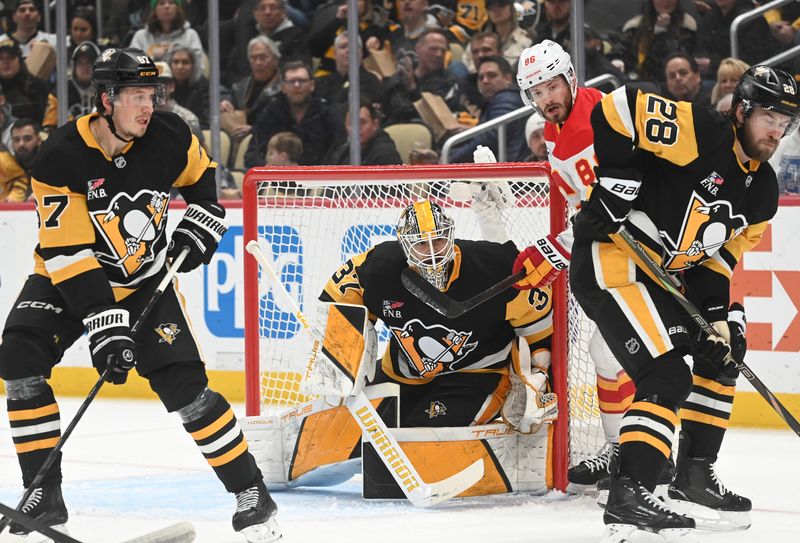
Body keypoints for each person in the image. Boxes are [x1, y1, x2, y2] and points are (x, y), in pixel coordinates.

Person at [0, 48, 282, 542]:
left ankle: (251, 491)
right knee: (19, 356)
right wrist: (104, 327)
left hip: (142, 282)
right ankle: (43, 494)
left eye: (151, 94)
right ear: (106, 99)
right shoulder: (60, 156)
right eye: (134, 95)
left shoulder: (170, 134)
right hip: (66, 280)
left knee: (187, 391)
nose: (147, 105)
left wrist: (205, 217)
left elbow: (202, 180)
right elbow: (69, 256)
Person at [569, 65, 799, 540]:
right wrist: (618, 184)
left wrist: (718, 316)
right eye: (770, 117)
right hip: (612, 262)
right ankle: (630, 491)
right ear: (741, 111)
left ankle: (693, 474)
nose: (778, 131)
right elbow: (617, 108)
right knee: (666, 373)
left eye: (786, 122)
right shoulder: (703, 132)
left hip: (661, 279)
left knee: (725, 352)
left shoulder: (763, 192)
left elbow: (718, 262)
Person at [318, 198, 558, 429]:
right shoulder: (380, 268)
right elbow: (338, 298)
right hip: (404, 372)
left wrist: (538, 378)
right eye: (422, 244)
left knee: (418, 438)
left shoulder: (494, 266)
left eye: (439, 240)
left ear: (450, 235)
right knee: (348, 430)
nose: (433, 253)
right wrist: (343, 353)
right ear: (405, 244)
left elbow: (536, 328)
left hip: (478, 373)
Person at [513, 39, 634, 490]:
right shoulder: (553, 131)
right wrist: (566, 243)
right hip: (610, 249)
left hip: (640, 247)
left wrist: (557, 248)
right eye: (537, 91)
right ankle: (625, 449)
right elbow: (584, 205)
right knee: (608, 350)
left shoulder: (597, 119)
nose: (547, 97)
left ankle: (638, 452)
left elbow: (615, 201)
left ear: (570, 77)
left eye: (552, 85)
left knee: (620, 350)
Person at [244, 60, 346, 167]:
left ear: (312, 85)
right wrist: (268, 167)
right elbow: (252, 154)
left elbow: (339, 151)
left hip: (319, 180)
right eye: (291, 81)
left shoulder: (328, 114)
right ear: (283, 87)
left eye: (302, 81)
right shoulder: (271, 113)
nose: (297, 85)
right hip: (278, 180)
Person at [448, 55, 527, 163]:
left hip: (510, 169)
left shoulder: (508, 98)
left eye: (492, 75)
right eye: (481, 77)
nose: (485, 81)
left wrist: (450, 157)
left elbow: (490, 137)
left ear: (508, 79)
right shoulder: (499, 99)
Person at [129, 0, 206, 72]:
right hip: (149, 84)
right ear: (154, 10)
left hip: (183, 84)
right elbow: (130, 65)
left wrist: (176, 53)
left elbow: (200, 66)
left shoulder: (190, 35)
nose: (166, 6)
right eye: (161, 3)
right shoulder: (141, 36)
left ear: (178, 8)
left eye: (171, 2)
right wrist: (152, 56)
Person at [322, 100, 402, 166]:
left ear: (375, 125)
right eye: (351, 123)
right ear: (345, 125)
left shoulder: (385, 154)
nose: (356, 128)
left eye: (362, 122)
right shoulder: (340, 146)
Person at [67, 41, 101, 119]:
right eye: (81, 63)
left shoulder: (105, 92)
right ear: (73, 66)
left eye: (89, 63)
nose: (85, 67)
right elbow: (49, 127)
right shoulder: (61, 92)